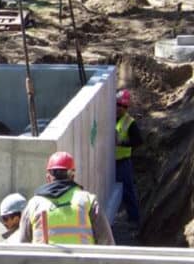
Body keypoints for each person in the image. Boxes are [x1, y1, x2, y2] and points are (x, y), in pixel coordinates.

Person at [18, 151, 115, 245]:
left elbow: (22, 247)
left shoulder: (34, 204)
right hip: (83, 261)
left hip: (43, 261)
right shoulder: (88, 201)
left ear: (48, 178)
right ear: (72, 176)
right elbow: (106, 242)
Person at [115, 89, 142, 226]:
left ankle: (134, 219)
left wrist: (123, 143)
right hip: (108, 162)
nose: (121, 108)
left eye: (124, 106)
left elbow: (138, 141)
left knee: (128, 190)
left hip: (122, 162)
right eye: (119, 105)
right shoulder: (108, 118)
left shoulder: (130, 122)